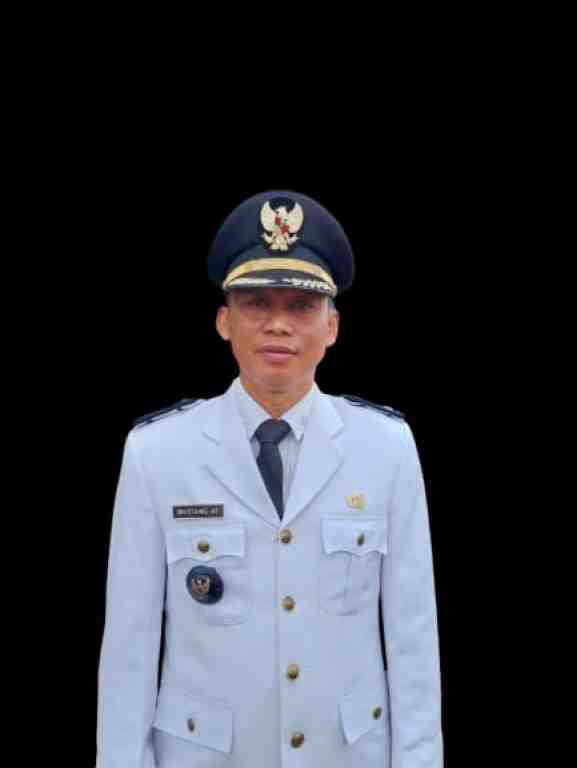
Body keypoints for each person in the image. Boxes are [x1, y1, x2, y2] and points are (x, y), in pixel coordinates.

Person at [95, 190, 444, 768]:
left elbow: (413, 639)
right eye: (257, 302)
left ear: (332, 326)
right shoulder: (157, 455)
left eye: (302, 306)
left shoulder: (386, 449)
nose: (279, 324)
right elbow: (129, 649)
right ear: (223, 321)